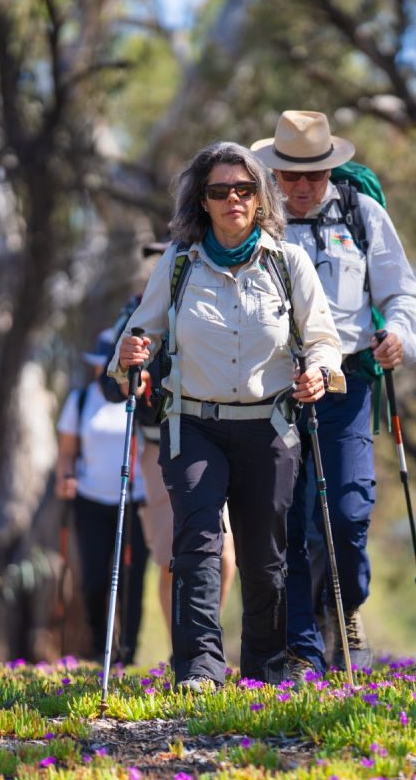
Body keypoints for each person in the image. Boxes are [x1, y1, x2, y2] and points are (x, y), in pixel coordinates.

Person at [113, 141, 343, 691]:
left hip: (269, 426)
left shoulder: (289, 263)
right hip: (193, 424)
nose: (233, 199)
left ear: (261, 197)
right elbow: (141, 333)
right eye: (220, 191)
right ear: (203, 202)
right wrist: (131, 354)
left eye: (244, 189)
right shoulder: (179, 263)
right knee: (196, 542)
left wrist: (320, 371)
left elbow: (324, 341)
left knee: (266, 555)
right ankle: (199, 668)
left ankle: (263, 667)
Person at [250, 110, 416, 676]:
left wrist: (398, 336)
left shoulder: (361, 214)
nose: (303, 187)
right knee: (290, 517)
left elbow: (405, 294)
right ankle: (303, 647)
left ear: (331, 171)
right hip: (276, 389)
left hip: (347, 387)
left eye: (315, 175)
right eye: (291, 176)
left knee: (349, 514)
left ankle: (344, 606)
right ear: (273, 173)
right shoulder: (254, 223)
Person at [100, 243, 238, 639]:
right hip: (162, 445)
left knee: (223, 555)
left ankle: (201, 640)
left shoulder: (221, 303)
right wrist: (132, 375)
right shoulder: (136, 313)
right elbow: (109, 385)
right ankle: (183, 649)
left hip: (218, 441)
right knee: (171, 558)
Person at [55, 330, 150, 664]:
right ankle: (100, 648)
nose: (101, 370)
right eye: (98, 364)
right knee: (95, 580)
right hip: (90, 501)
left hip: (134, 501)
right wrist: (64, 479)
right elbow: (67, 452)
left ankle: (129, 652)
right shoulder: (80, 401)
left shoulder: (138, 399)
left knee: (131, 581)